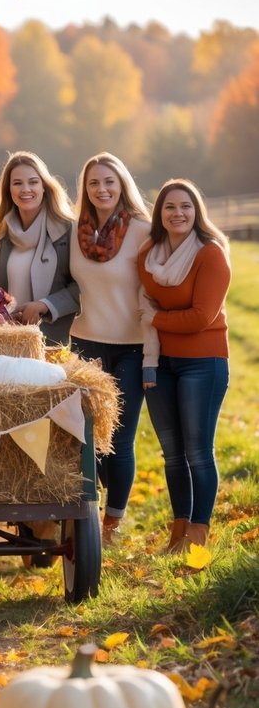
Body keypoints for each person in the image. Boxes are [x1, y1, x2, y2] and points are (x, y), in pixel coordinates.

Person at [138, 179, 231, 552]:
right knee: (173, 454)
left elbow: (201, 318)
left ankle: (198, 536)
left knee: (197, 452)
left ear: (197, 212)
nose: (178, 213)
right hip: (160, 362)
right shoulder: (149, 255)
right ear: (159, 214)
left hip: (203, 363)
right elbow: (150, 300)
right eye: (170, 207)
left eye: (186, 207)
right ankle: (178, 535)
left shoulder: (210, 254)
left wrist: (155, 317)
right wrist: (156, 316)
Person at [69, 152, 152, 545]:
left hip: (132, 348)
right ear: (84, 189)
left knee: (118, 439)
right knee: (88, 438)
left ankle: (112, 524)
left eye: (109, 182)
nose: (102, 189)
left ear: (122, 185)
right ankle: (88, 517)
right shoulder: (75, 230)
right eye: (93, 183)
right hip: (85, 342)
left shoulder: (142, 229)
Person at [0, 151, 79, 345]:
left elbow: (83, 287)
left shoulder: (69, 230)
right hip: (8, 341)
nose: (25, 189)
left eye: (33, 182)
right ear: (8, 190)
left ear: (44, 187)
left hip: (54, 343)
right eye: (17, 183)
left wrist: (44, 305)